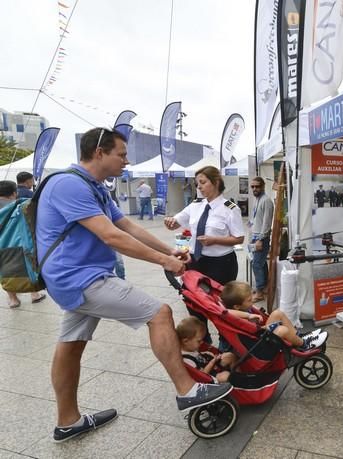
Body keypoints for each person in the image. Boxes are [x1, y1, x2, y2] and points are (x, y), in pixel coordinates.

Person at [36, 127, 232, 443]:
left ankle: (67, 422)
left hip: (77, 277)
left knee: (71, 345)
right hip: (80, 278)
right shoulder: (68, 185)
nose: (126, 161)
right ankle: (187, 390)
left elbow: (126, 225)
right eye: (122, 154)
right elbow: (112, 236)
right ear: (99, 153)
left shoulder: (95, 187)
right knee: (160, 313)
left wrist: (169, 250)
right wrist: (165, 263)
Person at [164, 166, 244, 339]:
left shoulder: (230, 208)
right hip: (196, 262)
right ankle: (203, 340)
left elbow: (239, 238)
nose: (199, 187)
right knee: (194, 304)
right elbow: (178, 222)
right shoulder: (195, 205)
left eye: (202, 182)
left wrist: (215, 240)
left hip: (221, 264)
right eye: (197, 183)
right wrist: (171, 222)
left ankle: (227, 341)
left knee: (221, 306)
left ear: (215, 182)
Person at [221, 280, 327, 350]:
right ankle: (304, 345)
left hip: (258, 333)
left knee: (278, 313)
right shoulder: (231, 315)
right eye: (249, 300)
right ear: (236, 306)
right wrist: (248, 316)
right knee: (282, 330)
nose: (253, 300)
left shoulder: (241, 309)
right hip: (255, 342)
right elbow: (225, 312)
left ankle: (298, 337)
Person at [0, 180, 46, 308]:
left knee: (4, 271)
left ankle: (13, 299)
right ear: (14, 193)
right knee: (27, 265)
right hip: (18, 244)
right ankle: (34, 294)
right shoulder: (20, 205)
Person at [176, 317, 234, 383]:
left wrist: (209, 354)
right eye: (199, 341)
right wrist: (212, 362)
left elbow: (200, 355)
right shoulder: (187, 360)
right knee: (225, 376)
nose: (202, 342)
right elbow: (201, 376)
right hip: (208, 377)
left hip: (211, 365)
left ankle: (239, 376)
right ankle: (236, 386)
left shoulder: (191, 347)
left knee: (230, 356)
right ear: (186, 341)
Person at [248, 177, 274, 302]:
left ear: (263, 186)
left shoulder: (267, 201)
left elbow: (267, 223)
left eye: (257, 186)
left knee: (256, 264)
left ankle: (259, 292)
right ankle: (264, 287)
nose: (254, 189)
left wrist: (260, 239)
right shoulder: (257, 199)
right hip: (255, 236)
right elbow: (255, 219)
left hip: (261, 238)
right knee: (261, 263)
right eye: (252, 186)